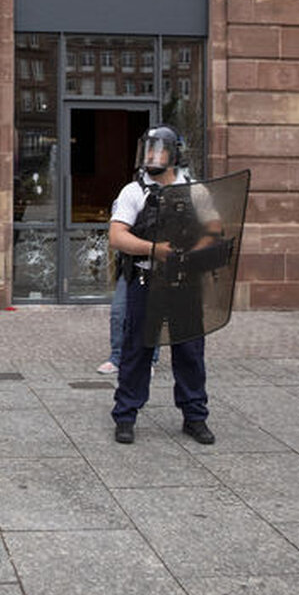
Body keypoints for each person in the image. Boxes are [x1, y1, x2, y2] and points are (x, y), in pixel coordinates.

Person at [109, 126, 222, 445]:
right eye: (148, 150)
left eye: (157, 150)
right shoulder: (134, 191)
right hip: (146, 281)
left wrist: (190, 254)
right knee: (137, 349)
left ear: (173, 155)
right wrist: (154, 250)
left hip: (184, 282)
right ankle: (126, 416)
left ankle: (195, 416)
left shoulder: (195, 190)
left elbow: (214, 228)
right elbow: (118, 236)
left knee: (190, 350)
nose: (151, 157)